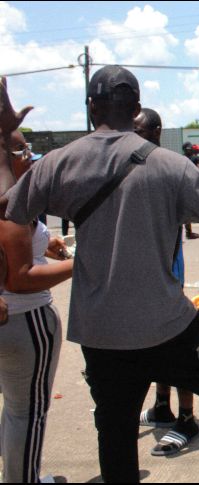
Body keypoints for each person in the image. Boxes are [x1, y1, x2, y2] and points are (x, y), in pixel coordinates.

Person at [0, 65, 199, 483]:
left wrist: (4, 139)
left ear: (90, 108)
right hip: (167, 326)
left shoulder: (59, 164)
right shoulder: (169, 165)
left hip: (100, 334)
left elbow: (8, 207)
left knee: (115, 435)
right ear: (136, 108)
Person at [0, 122, 73, 484]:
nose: (29, 157)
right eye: (22, 150)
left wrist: (44, 242)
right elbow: (20, 278)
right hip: (24, 320)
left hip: (9, 320)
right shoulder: (10, 205)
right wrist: (80, 263)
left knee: (14, 409)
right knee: (27, 413)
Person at [133, 107, 199, 456]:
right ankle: (163, 405)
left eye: (139, 131)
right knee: (153, 345)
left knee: (177, 345)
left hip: (168, 273)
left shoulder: (169, 168)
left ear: (156, 132)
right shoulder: (133, 165)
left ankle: (187, 417)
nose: (132, 136)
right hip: (144, 276)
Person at [182, 142, 199, 239]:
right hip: (188, 184)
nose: (190, 150)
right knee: (187, 208)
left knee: (186, 208)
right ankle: (188, 232)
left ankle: (188, 231)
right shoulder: (194, 158)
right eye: (189, 149)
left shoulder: (182, 158)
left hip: (185, 184)